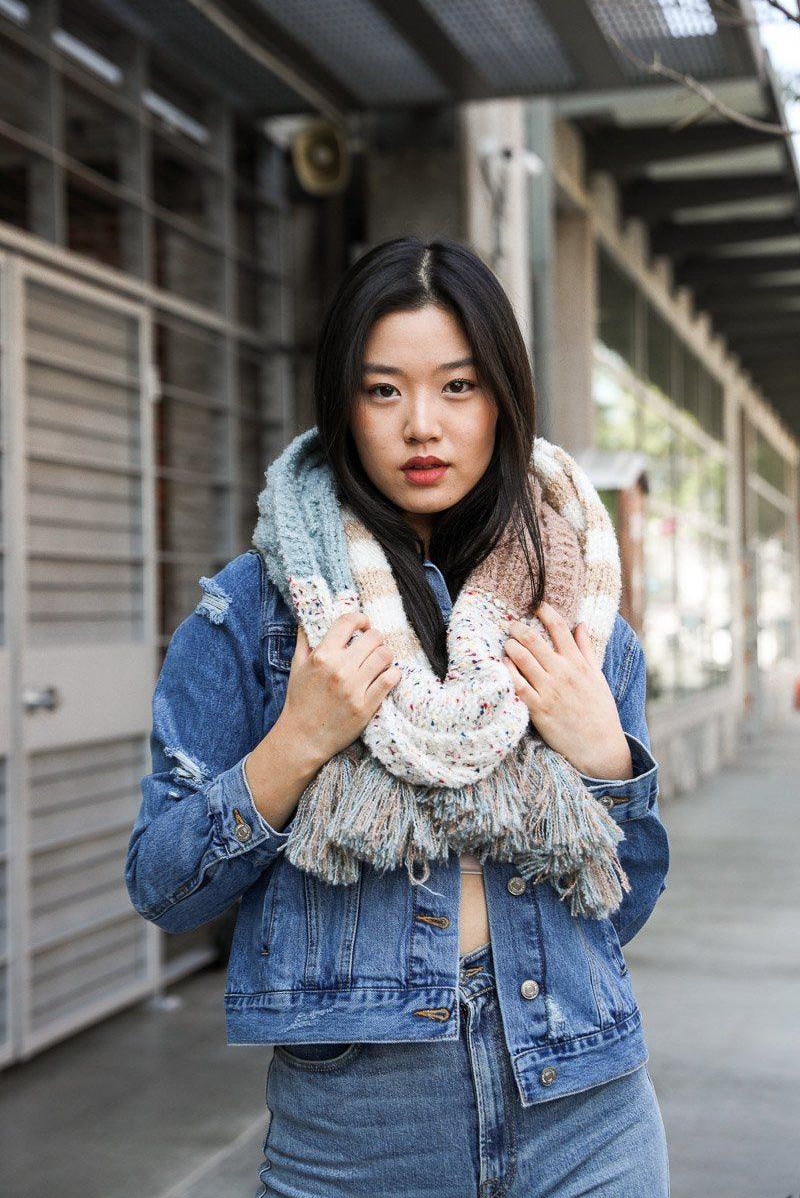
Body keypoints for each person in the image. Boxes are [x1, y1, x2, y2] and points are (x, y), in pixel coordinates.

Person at [126, 237, 670, 1198]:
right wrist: (295, 745)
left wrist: (603, 760)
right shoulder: (256, 615)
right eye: (384, 391)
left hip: (587, 1109)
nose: (423, 425)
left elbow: (621, 905)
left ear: (504, 398)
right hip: (358, 1138)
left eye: (458, 387)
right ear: (342, 404)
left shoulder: (576, 612)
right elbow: (166, 888)